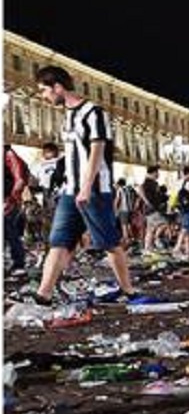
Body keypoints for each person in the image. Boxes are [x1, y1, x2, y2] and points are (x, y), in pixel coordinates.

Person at [29, 65, 138, 305]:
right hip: (70, 191)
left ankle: (128, 291)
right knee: (58, 240)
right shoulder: (68, 116)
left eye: (44, 90)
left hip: (96, 189)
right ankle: (43, 294)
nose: (43, 96)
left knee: (109, 243)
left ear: (58, 87)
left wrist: (86, 186)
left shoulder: (93, 113)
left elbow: (97, 151)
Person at [4, 144, 30, 275]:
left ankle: (19, 264)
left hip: (8, 201)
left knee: (11, 232)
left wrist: (12, 199)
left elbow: (19, 179)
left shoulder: (8, 154)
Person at [138, 165, 169, 252]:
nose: (158, 175)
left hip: (149, 209)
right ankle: (156, 239)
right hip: (153, 209)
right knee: (164, 224)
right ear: (153, 173)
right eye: (157, 173)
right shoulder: (152, 183)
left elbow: (140, 189)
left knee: (150, 229)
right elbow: (155, 196)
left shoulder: (146, 182)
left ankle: (147, 248)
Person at [114, 178, 138, 246]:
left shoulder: (120, 189)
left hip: (123, 210)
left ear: (119, 184)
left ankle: (127, 240)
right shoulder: (131, 189)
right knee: (129, 225)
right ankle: (132, 238)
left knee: (124, 225)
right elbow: (137, 198)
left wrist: (115, 210)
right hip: (131, 210)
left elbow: (117, 200)